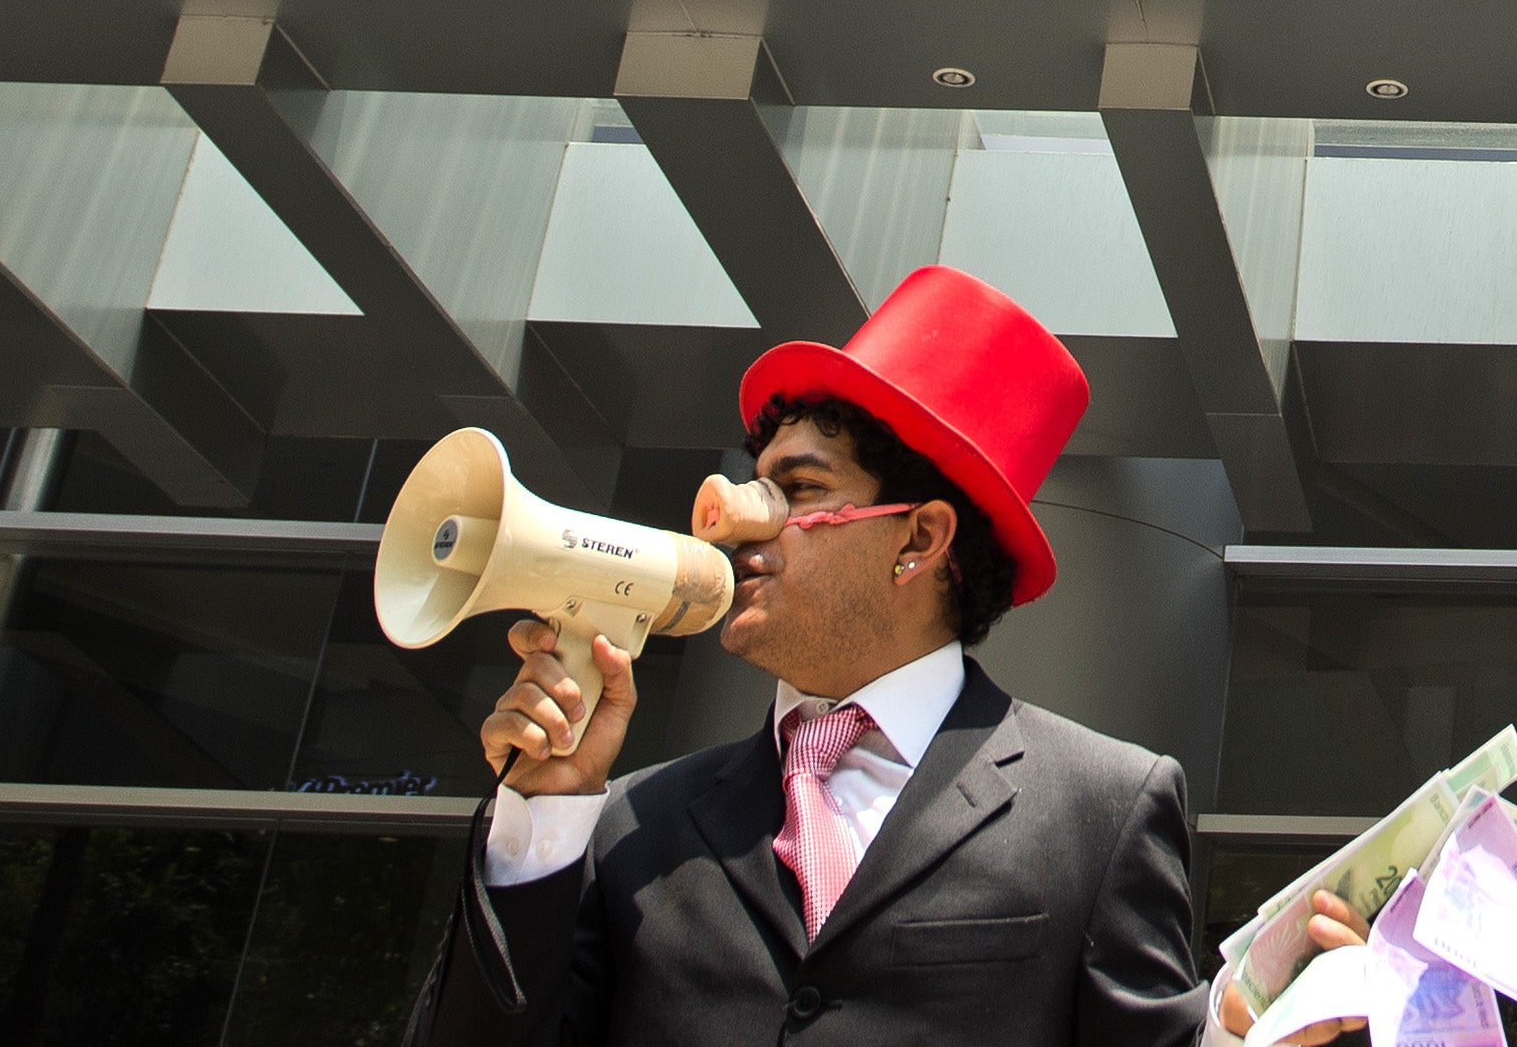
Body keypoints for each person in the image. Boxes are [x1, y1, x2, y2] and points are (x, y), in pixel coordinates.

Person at [410, 265, 1235, 1047]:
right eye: (754, 483)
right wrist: (542, 824)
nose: (734, 521)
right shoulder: (625, 821)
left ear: (919, 537)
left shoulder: (1100, 808)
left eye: (798, 490)